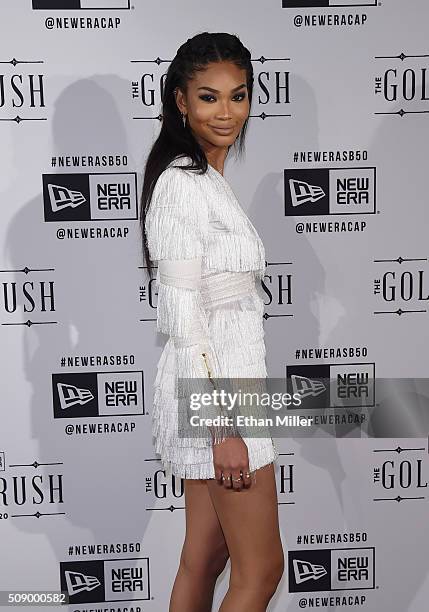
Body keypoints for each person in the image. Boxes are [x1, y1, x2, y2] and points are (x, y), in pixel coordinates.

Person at [140, 32, 284, 612]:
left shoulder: (209, 182)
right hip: (219, 399)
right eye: (208, 97)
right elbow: (181, 314)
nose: (226, 112)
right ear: (181, 101)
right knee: (262, 569)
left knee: (204, 559)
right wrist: (222, 427)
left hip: (225, 385)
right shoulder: (181, 186)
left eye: (238, 96)